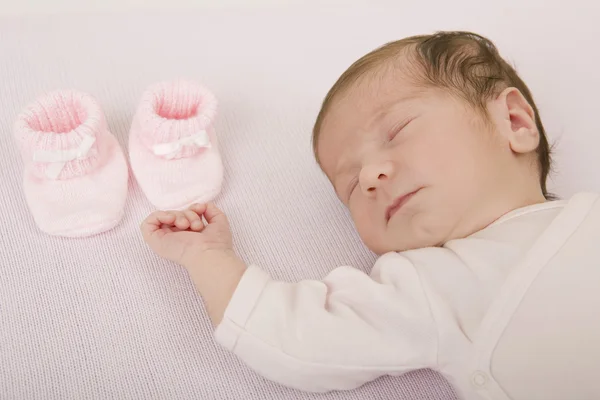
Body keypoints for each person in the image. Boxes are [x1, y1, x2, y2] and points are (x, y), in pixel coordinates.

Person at [140, 31, 600, 400]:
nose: (373, 176)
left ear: (514, 123)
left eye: (397, 131)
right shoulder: (435, 284)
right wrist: (207, 255)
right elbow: (295, 336)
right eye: (351, 186)